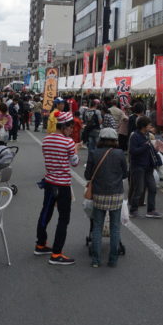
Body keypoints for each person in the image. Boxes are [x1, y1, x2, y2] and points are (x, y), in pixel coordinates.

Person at [34, 110, 79, 265]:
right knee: (63, 218)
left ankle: (40, 244)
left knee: (46, 212)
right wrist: (76, 151)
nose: (71, 130)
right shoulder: (68, 142)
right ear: (65, 126)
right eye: (70, 127)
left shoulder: (46, 140)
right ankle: (57, 253)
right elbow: (74, 162)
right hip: (63, 184)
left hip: (49, 181)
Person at [85, 127, 128, 267]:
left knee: (97, 226)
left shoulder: (94, 153)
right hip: (116, 194)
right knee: (115, 227)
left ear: (100, 139)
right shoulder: (120, 153)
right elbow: (125, 174)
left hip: (99, 194)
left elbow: (87, 175)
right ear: (115, 140)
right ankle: (113, 260)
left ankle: (96, 260)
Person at [128, 116, 162, 218]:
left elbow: (148, 149)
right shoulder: (135, 136)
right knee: (139, 189)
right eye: (149, 125)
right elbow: (132, 151)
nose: (151, 127)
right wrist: (145, 146)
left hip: (148, 166)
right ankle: (133, 210)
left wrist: (154, 149)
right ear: (143, 126)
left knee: (152, 188)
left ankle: (151, 210)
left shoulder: (147, 135)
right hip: (138, 166)